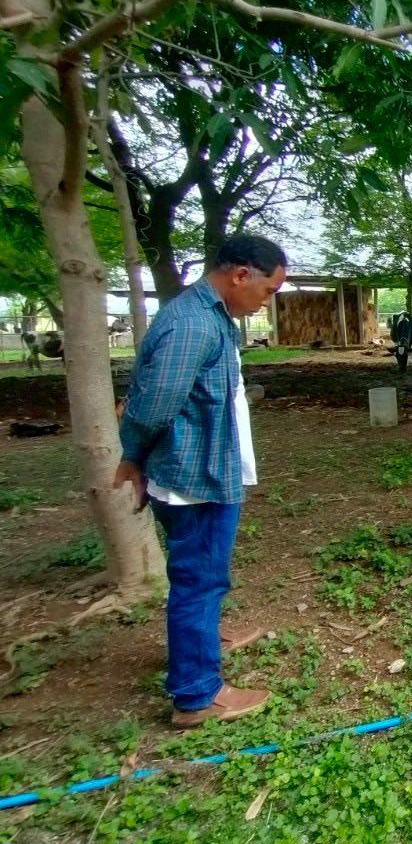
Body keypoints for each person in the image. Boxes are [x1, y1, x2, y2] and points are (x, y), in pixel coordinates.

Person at [114, 234, 288, 727]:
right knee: (200, 579)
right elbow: (152, 406)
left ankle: (203, 639)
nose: (266, 301)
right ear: (240, 275)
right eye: (268, 290)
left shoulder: (210, 316)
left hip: (206, 468)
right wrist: (133, 457)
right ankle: (196, 694)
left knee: (202, 575)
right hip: (194, 477)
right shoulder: (192, 324)